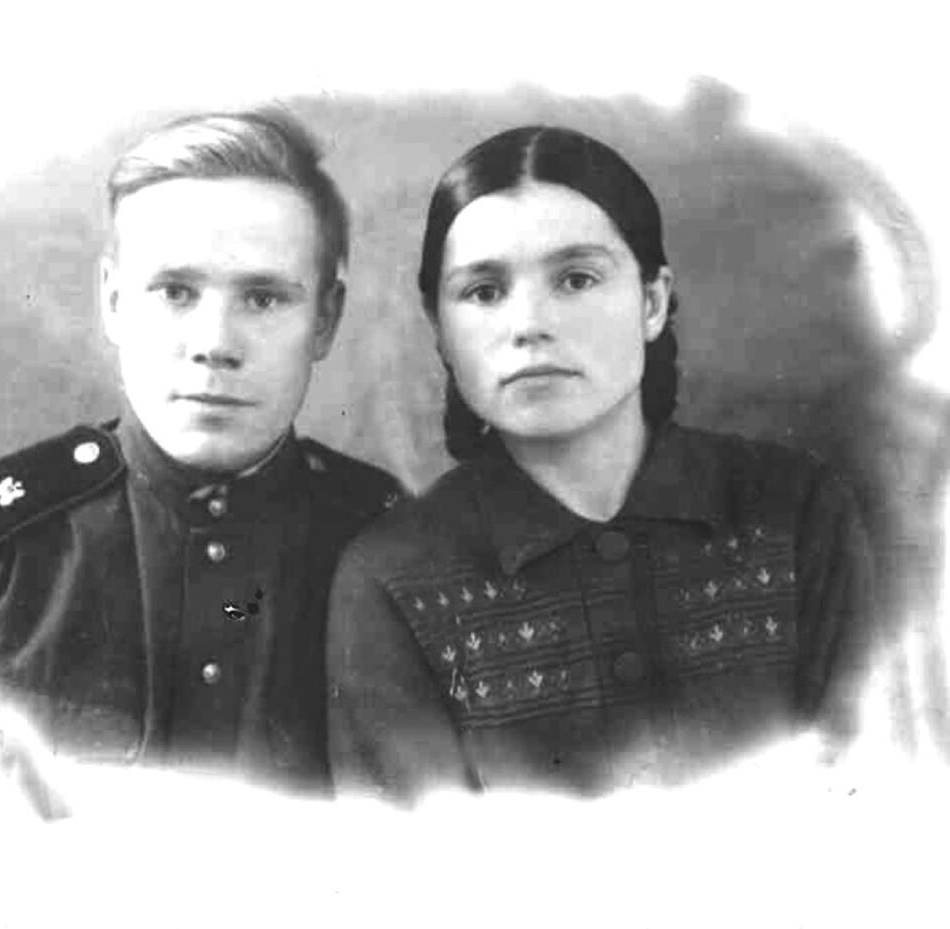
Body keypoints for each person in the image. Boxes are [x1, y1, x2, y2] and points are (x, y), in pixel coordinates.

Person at [0, 109, 402, 807]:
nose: (214, 344)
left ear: (325, 318)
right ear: (113, 302)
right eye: (175, 292)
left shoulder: (402, 550)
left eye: (263, 298)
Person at [327, 125, 872, 802]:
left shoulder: (799, 511)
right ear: (440, 330)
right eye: (485, 291)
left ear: (651, 302)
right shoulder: (391, 578)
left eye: (576, 279)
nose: (528, 324)